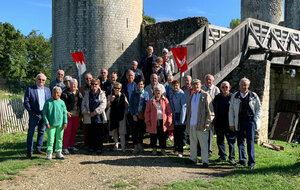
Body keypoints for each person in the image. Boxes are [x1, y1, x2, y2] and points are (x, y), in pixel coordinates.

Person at [229, 77, 261, 169]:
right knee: (240, 141)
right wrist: (231, 123)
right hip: (239, 122)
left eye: (245, 84)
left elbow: (259, 108)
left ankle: (251, 162)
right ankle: (242, 160)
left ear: (248, 86)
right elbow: (231, 111)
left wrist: (255, 120)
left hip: (250, 121)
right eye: (242, 84)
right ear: (239, 85)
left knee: (250, 141)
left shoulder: (253, 95)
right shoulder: (235, 96)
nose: (243, 86)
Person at [186, 79, 214, 168]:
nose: (195, 86)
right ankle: (193, 159)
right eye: (194, 85)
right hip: (192, 123)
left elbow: (210, 111)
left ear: (200, 85)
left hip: (202, 123)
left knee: (203, 144)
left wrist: (208, 122)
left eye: (197, 84)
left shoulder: (205, 95)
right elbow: (189, 111)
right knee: (193, 142)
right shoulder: (192, 96)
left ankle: (205, 161)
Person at [24, 73, 51, 158]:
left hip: (44, 114)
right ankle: (29, 151)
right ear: (36, 80)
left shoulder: (47, 90)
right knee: (31, 132)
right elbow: (26, 101)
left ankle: (38, 149)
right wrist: (31, 112)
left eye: (43, 80)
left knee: (42, 131)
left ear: (45, 81)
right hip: (34, 114)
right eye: (39, 79)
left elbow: (49, 101)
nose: (41, 81)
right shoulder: (30, 89)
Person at [145, 85, 173, 155]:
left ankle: (163, 150)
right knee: (153, 136)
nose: (157, 92)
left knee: (163, 136)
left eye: (159, 91)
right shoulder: (150, 101)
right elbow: (147, 111)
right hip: (153, 121)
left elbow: (169, 111)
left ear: (161, 92)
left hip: (163, 121)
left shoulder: (165, 100)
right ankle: (154, 149)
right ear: (153, 92)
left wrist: (169, 120)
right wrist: (147, 120)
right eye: (156, 90)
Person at [81, 78, 107, 154]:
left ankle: (99, 148)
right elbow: (83, 104)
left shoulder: (102, 94)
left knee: (99, 133)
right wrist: (86, 111)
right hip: (89, 116)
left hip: (99, 117)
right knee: (90, 133)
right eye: (92, 84)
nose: (94, 86)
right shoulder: (87, 93)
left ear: (98, 85)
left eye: (96, 84)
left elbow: (103, 105)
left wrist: (95, 112)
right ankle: (92, 147)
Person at [213, 81, 235, 163]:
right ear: (220, 88)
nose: (224, 88)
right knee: (220, 140)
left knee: (231, 141)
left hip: (230, 123)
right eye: (223, 87)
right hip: (219, 123)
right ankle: (222, 156)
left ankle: (231, 157)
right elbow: (213, 108)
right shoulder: (218, 97)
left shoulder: (233, 97)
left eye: (226, 87)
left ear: (229, 88)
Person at [43, 86, 68, 160]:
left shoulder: (62, 102)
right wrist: (46, 122)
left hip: (60, 124)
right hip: (50, 124)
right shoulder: (48, 102)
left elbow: (64, 113)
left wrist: (65, 122)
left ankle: (58, 152)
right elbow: (44, 113)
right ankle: (49, 153)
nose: (56, 94)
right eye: (54, 92)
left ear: (60, 93)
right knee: (50, 139)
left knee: (59, 138)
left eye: (57, 92)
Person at [61, 79, 83, 154]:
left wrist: (81, 114)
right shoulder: (65, 93)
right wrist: (66, 112)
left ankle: (71, 145)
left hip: (76, 114)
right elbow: (62, 104)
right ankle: (64, 147)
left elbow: (81, 104)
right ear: (69, 85)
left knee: (74, 131)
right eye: (72, 84)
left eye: (75, 84)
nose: (73, 86)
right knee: (67, 131)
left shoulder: (78, 93)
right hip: (68, 114)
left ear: (77, 85)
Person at [201, 74, 220, 157]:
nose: (208, 81)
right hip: (202, 113)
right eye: (207, 79)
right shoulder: (201, 88)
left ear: (213, 81)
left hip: (211, 113)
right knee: (200, 132)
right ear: (204, 80)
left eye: (210, 80)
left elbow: (218, 102)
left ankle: (209, 150)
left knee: (210, 133)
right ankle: (201, 149)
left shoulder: (216, 90)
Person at [107, 82, 128, 152]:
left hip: (121, 116)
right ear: (113, 89)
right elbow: (107, 106)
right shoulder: (110, 96)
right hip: (113, 116)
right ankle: (116, 145)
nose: (117, 89)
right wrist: (110, 101)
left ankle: (123, 146)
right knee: (114, 131)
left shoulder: (123, 96)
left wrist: (125, 114)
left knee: (122, 131)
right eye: (115, 88)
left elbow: (127, 105)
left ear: (120, 89)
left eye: (118, 88)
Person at [129, 80, 149, 154]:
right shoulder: (134, 93)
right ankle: (135, 146)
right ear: (136, 85)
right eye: (139, 84)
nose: (140, 86)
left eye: (141, 84)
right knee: (134, 131)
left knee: (141, 131)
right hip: (135, 114)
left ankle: (140, 144)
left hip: (142, 115)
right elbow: (131, 105)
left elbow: (147, 104)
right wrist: (133, 114)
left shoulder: (146, 94)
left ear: (143, 85)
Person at [169, 80, 187, 157]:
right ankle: (176, 148)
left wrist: (182, 119)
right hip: (174, 116)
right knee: (175, 134)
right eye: (173, 85)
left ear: (179, 86)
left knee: (180, 134)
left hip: (181, 115)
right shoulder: (171, 94)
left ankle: (180, 151)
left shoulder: (181, 94)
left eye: (176, 85)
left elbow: (184, 106)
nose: (175, 87)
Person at [79, 73, 93, 145]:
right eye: (87, 79)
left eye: (90, 78)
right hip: (86, 110)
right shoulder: (82, 88)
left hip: (93, 111)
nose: (88, 80)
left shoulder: (95, 86)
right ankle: (86, 142)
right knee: (85, 127)